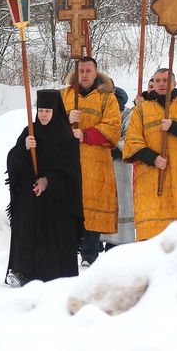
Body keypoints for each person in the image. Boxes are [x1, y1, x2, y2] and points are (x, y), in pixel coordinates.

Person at [5, 89, 82, 287]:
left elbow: (71, 173)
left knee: (55, 232)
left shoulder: (66, 137)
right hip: (31, 195)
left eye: (48, 111)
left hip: (57, 200)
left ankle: (55, 275)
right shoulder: (30, 131)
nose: (43, 115)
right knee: (26, 223)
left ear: (55, 111)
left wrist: (48, 180)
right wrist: (24, 148)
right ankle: (22, 272)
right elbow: (12, 162)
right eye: (40, 111)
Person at [123, 68, 177, 240]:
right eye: (158, 80)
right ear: (153, 84)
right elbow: (132, 141)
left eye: (166, 80)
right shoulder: (141, 110)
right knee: (152, 232)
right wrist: (153, 158)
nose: (161, 84)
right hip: (151, 178)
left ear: (174, 84)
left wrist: (175, 126)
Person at [61, 57, 122, 267]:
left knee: (93, 205)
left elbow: (113, 128)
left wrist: (85, 134)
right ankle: (68, 250)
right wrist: (66, 120)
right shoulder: (64, 95)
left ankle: (89, 253)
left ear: (96, 73)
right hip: (68, 160)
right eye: (81, 71)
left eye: (88, 71)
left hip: (96, 162)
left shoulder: (107, 98)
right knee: (69, 204)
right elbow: (47, 123)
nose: (84, 74)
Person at [102, 86, 135, 250]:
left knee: (120, 202)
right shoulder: (100, 113)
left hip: (120, 167)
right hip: (99, 167)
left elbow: (129, 139)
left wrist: (106, 148)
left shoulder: (128, 115)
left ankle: (117, 243)